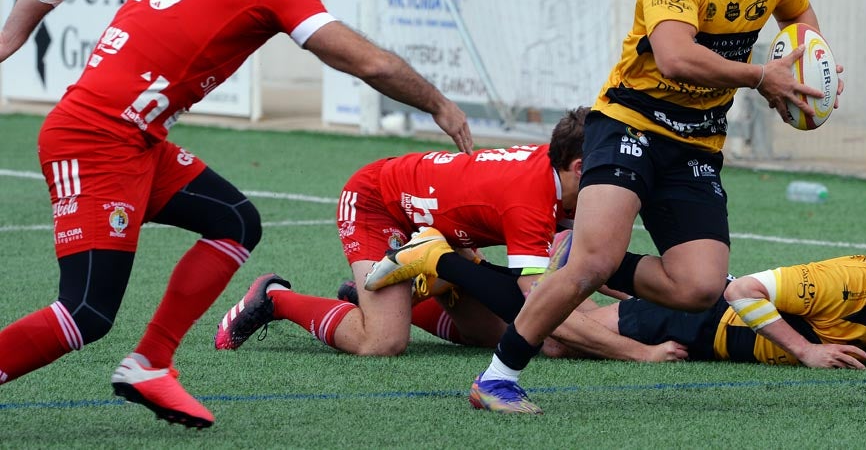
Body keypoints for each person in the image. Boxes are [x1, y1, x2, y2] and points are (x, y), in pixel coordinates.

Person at [0, 0, 472, 429]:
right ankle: (143, 362)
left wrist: (10, 40)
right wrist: (439, 104)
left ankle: (151, 363)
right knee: (86, 313)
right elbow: (370, 64)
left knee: (233, 220)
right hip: (95, 141)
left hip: (136, 141)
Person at [460, 0, 842, 414]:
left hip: (697, 142)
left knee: (700, 287)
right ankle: (497, 378)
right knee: (587, 266)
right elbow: (674, 57)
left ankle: (594, 252)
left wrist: (812, 70)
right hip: (628, 122)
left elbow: (803, 25)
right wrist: (763, 75)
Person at [215, 107, 687, 363]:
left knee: (504, 335)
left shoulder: (565, 182)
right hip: (378, 204)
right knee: (382, 342)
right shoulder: (531, 199)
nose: (624, 181)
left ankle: (388, 294)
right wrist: (637, 352)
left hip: (440, 232)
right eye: (617, 169)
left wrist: (687, 293)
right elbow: (544, 306)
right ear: (581, 167)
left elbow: (592, 269)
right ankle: (277, 298)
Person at [568, 222, 866, 368]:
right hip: (705, 318)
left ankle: (587, 274)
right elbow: (741, 291)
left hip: (719, 315)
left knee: (587, 320)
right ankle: (566, 269)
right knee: (556, 341)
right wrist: (806, 352)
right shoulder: (839, 281)